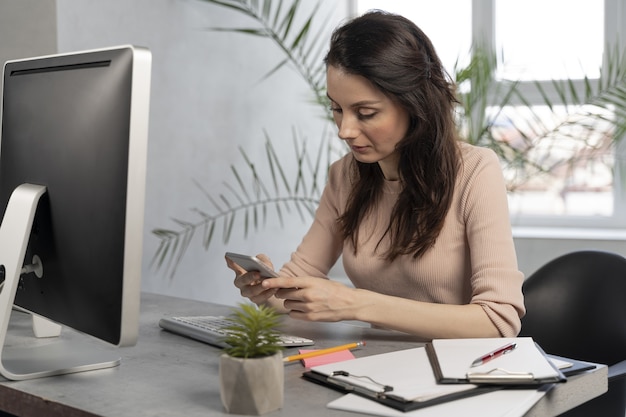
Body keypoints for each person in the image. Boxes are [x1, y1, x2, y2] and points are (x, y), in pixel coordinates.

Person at [226, 10, 525, 339]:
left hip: (461, 372)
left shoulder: (476, 171)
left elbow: (498, 322)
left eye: (365, 113)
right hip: (377, 368)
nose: (345, 130)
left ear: (414, 104)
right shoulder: (344, 177)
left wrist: (357, 304)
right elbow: (298, 285)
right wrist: (268, 292)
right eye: (337, 109)